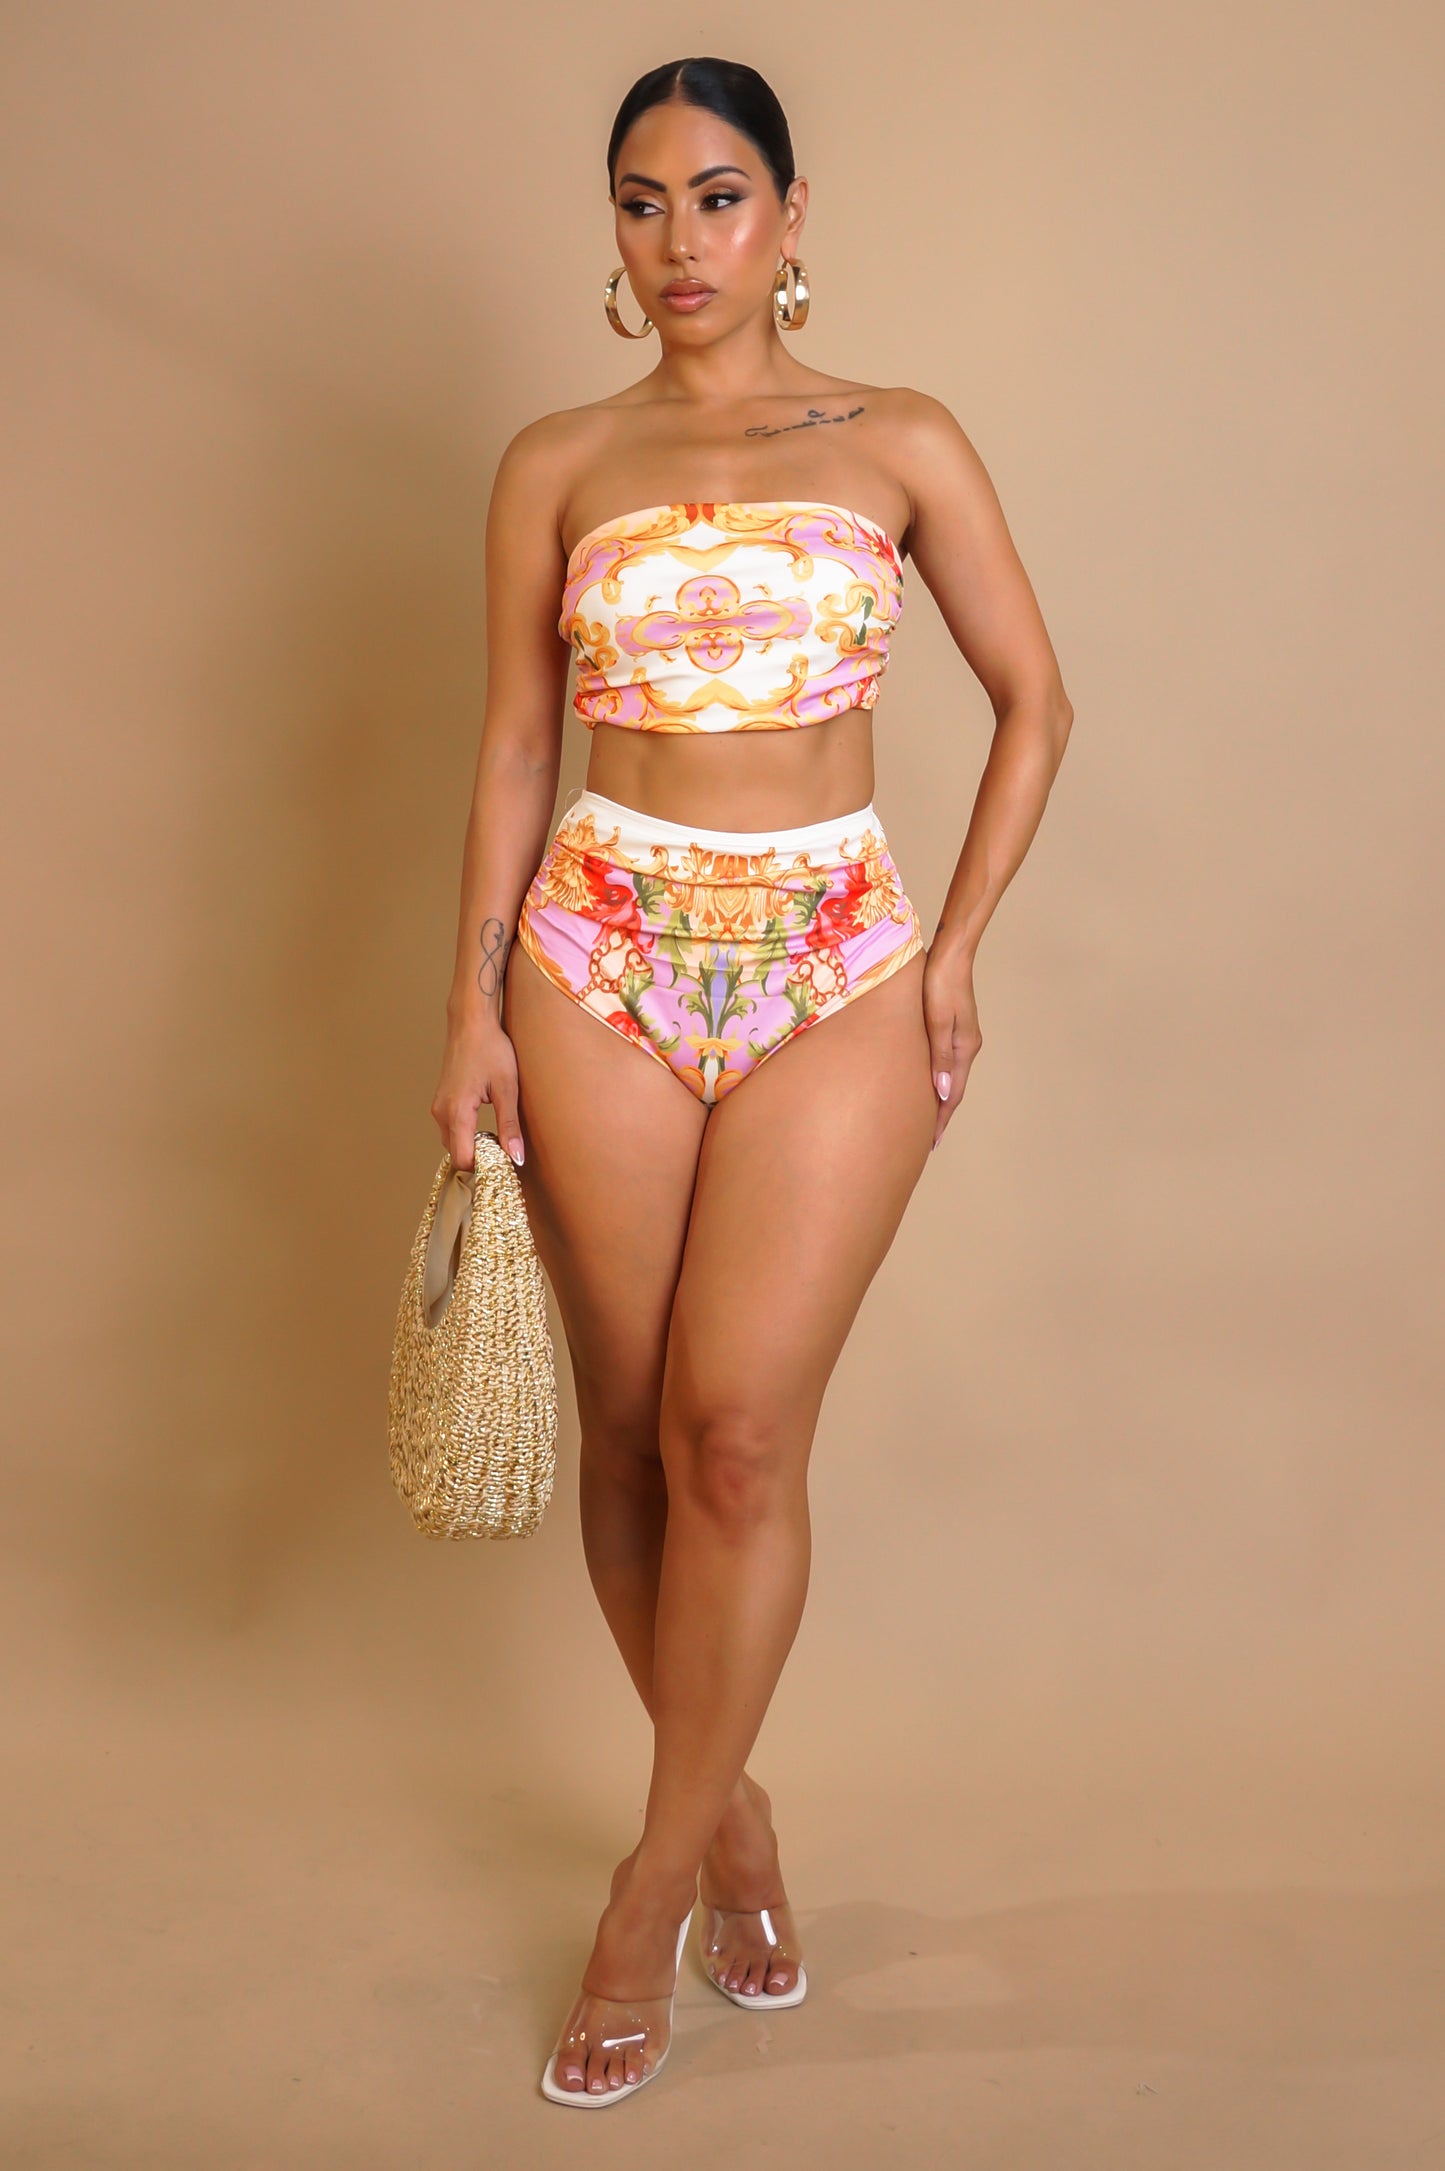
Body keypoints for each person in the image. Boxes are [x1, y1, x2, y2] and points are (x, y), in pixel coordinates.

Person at [429, 54, 1074, 2106]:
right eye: (642, 202)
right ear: (611, 236)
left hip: (833, 957)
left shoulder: (900, 437)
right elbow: (515, 746)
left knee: (732, 1439)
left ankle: (647, 1888)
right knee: (630, 1445)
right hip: (595, 953)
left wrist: (953, 948)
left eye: (718, 196)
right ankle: (732, 1818)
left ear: (791, 215)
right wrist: (468, 1012)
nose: (681, 239)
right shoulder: (555, 460)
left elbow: (1036, 701)